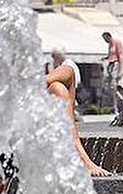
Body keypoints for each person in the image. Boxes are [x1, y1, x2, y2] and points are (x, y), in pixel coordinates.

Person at [46, 47, 109, 177]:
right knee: (58, 87)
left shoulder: (67, 64)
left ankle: (76, 148)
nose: (53, 59)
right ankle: (77, 149)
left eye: (54, 56)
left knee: (63, 78)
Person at [102, 31, 123, 113]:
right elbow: (110, 55)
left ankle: (121, 103)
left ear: (108, 36)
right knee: (110, 87)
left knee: (114, 86)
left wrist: (120, 71)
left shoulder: (117, 42)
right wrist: (105, 58)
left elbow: (120, 56)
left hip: (116, 64)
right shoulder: (110, 45)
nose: (105, 41)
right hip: (110, 65)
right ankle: (117, 104)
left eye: (105, 39)